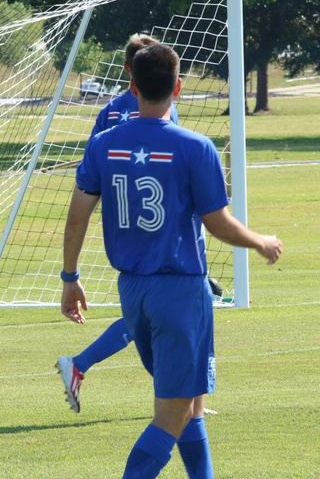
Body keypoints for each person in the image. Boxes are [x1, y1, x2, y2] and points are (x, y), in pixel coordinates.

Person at [60, 43, 281, 479]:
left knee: (190, 399)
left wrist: (70, 277)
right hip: (180, 290)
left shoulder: (103, 143)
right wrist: (260, 240)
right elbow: (218, 224)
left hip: (133, 291)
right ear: (178, 88)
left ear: (133, 87)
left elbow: (78, 214)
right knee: (172, 412)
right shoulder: (195, 146)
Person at [58, 33, 226, 414]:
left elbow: (93, 167)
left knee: (149, 313)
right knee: (167, 315)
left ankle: (192, 404)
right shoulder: (168, 115)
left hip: (124, 225)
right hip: (166, 235)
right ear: (174, 85)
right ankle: (189, 405)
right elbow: (174, 170)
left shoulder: (108, 113)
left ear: (128, 73)